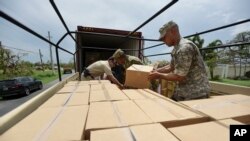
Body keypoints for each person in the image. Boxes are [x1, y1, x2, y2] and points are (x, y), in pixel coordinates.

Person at [148, 21, 210, 101]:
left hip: (196, 93)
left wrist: (158, 75)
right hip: (183, 90)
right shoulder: (176, 49)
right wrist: (155, 71)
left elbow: (179, 76)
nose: (163, 41)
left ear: (173, 31)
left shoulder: (184, 48)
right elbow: (171, 66)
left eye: (164, 37)